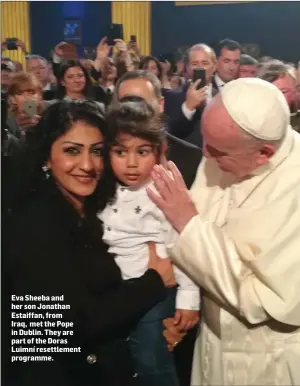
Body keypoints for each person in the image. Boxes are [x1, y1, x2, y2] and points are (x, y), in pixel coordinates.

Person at [2, 100, 176, 386]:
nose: (87, 165)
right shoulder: (31, 225)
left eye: (97, 151)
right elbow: (56, 329)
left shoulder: (95, 208)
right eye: (72, 151)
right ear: (47, 157)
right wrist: (154, 284)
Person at [147, 78, 300, 386]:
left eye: (216, 150)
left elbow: (260, 299)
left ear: (263, 153)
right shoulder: (220, 149)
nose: (206, 155)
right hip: (212, 348)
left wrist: (188, 224)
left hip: (268, 361)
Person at [99, 99, 200, 386]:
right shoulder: (102, 188)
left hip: (157, 292)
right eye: (120, 152)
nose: (131, 163)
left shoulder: (161, 191)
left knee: (151, 359)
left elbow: (182, 247)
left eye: (142, 152)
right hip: (118, 293)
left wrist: (188, 300)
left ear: (159, 151)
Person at [6, 71, 44, 139]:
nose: (27, 97)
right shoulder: (6, 124)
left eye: (31, 92)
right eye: (20, 93)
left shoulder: (50, 118)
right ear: (12, 99)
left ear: (40, 96)